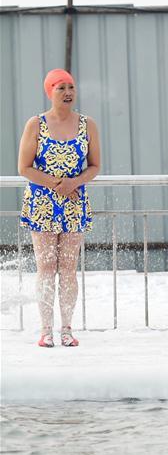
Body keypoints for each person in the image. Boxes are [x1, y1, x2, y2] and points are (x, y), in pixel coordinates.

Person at [18, 69, 101, 348]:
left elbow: (95, 165)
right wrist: (56, 184)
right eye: (60, 88)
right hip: (42, 202)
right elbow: (24, 167)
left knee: (68, 267)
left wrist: (74, 182)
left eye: (71, 87)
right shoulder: (36, 124)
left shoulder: (87, 124)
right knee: (46, 266)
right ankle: (45, 330)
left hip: (74, 202)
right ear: (50, 92)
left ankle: (67, 328)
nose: (67, 92)